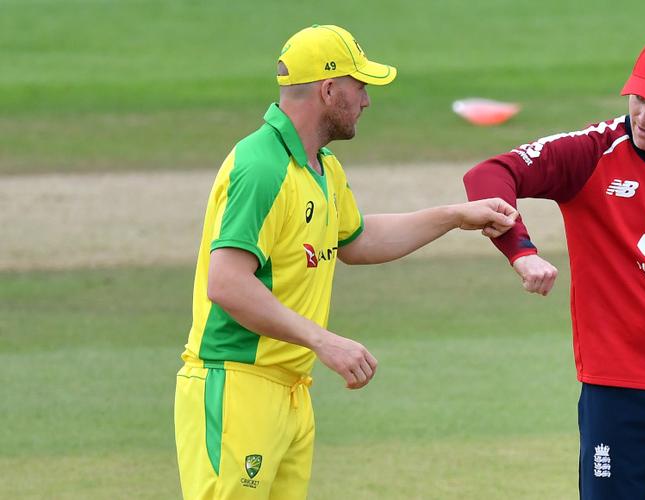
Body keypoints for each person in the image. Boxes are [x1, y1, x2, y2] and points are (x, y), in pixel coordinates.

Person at [173, 24, 517, 499]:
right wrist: (324, 341)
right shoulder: (261, 167)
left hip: (290, 391)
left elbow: (357, 240)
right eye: (360, 86)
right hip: (236, 386)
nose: (367, 100)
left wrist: (455, 216)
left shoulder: (322, 167)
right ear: (328, 88)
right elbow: (227, 283)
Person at [463, 35, 645, 499]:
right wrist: (520, 250)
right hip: (616, 392)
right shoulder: (590, 153)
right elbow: (488, 174)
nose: (643, 115)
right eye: (638, 97)